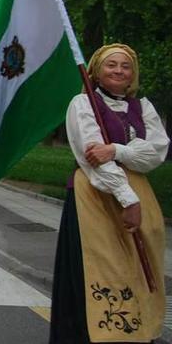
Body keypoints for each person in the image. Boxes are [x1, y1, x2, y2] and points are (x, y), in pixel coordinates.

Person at [50, 44, 169, 343]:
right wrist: (127, 198)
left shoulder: (143, 107)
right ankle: (98, 334)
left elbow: (155, 153)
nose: (118, 70)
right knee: (102, 265)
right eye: (111, 65)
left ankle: (139, 331)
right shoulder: (83, 104)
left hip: (140, 191)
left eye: (125, 66)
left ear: (133, 74)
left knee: (141, 264)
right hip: (95, 194)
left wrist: (116, 149)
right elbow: (91, 156)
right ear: (97, 72)